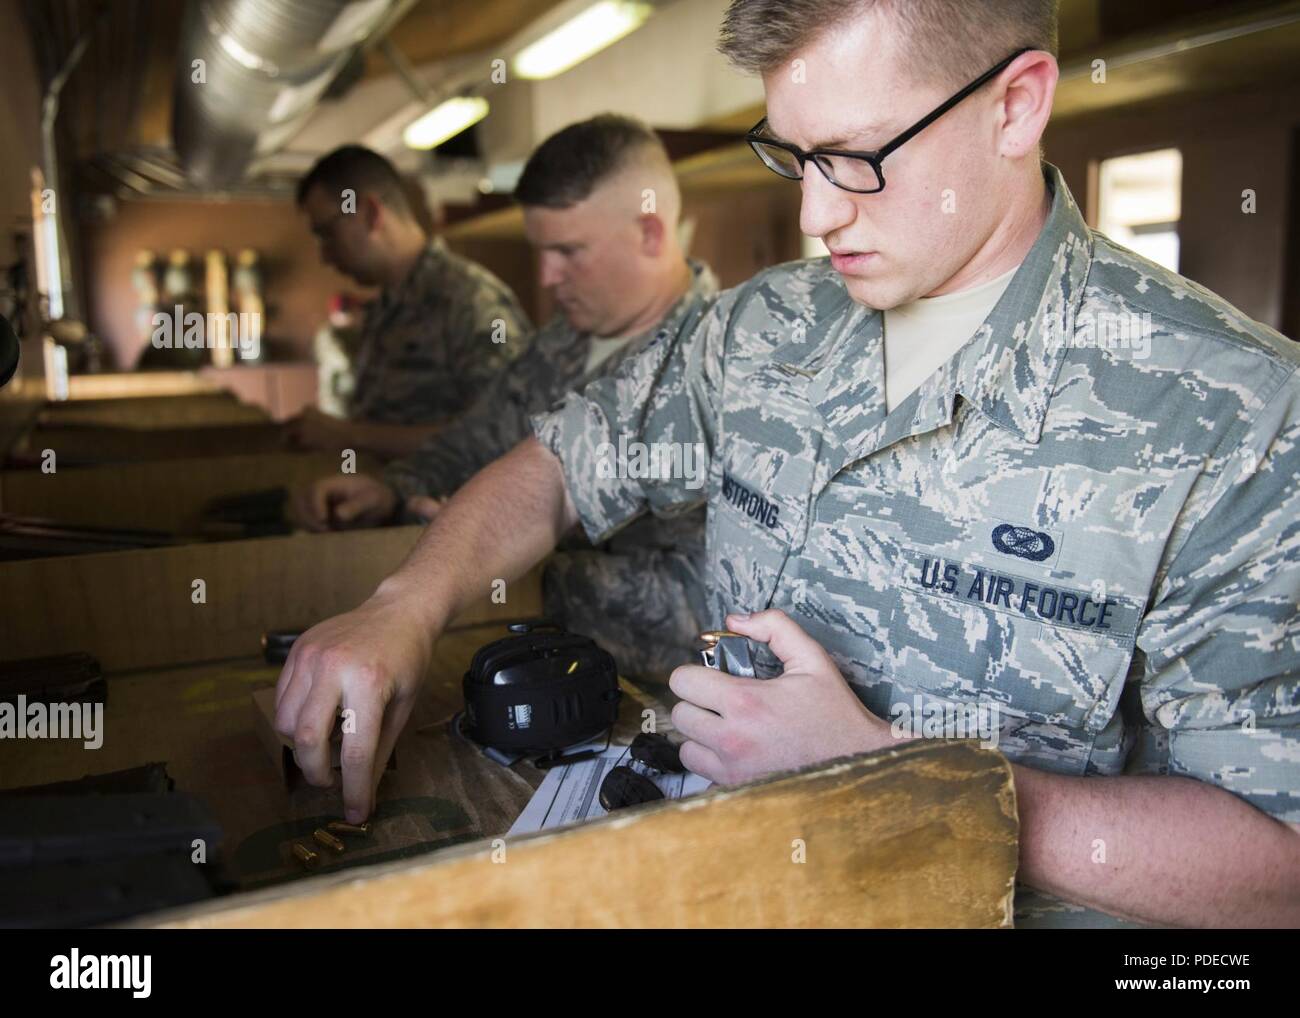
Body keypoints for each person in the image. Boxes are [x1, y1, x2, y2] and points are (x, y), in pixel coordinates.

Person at [275, 0, 1300, 928]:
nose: (815, 214)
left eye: (854, 157)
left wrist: (892, 774)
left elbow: (1280, 862)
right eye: (791, 155)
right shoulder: (765, 327)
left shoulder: (1236, 412)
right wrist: (407, 602)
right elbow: (559, 463)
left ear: (1015, 106)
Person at [289, 115, 717, 680]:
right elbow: (473, 440)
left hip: (659, 706)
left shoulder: (720, 369)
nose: (545, 277)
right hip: (527, 667)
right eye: (539, 250)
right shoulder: (561, 341)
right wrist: (393, 489)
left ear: (650, 233)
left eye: (568, 251)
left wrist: (502, 562)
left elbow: (705, 604)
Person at [287, 145, 531, 460]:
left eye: (326, 233)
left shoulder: (470, 301)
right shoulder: (386, 306)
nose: (324, 256)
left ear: (369, 214)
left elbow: (506, 433)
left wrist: (349, 435)